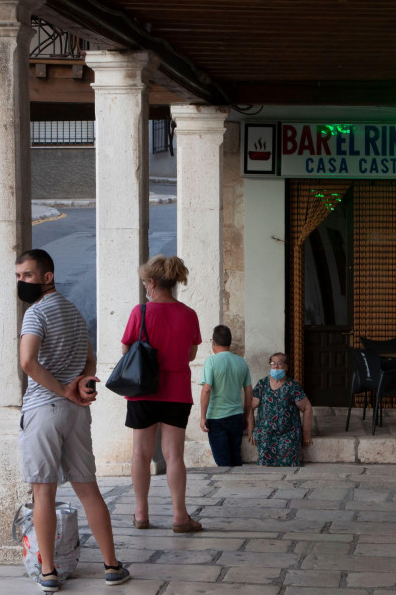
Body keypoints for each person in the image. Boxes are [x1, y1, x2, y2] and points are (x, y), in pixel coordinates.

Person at [16, 249, 129, 592]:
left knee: (43, 494)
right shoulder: (74, 312)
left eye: (27, 276)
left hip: (43, 411)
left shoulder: (35, 314)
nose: (21, 282)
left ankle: (48, 571)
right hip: (77, 414)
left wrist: (64, 389)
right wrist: (83, 382)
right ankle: (112, 565)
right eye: (18, 276)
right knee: (88, 490)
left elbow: (28, 362)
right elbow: (90, 359)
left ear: (47, 276)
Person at [121, 254, 202, 533]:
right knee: (174, 456)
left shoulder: (140, 312)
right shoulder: (189, 314)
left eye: (145, 283)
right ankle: (180, 516)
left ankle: (141, 513)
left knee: (140, 454)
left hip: (143, 392)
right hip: (177, 393)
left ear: (153, 283)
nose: (145, 288)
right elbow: (191, 354)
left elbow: (126, 350)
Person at [199, 325, 253, 466]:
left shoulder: (211, 361)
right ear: (230, 342)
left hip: (216, 418)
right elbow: (248, 391)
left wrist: (203, 416)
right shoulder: (241, 362)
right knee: (235, 457)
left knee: (222, 462)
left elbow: (206, 390)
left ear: (213, 342)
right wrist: (246, 415)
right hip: (235, 416)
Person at [248, 352, 314, 467]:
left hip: (288, 434)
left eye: (279, 364)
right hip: (266, 433)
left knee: (289, 463)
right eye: (273, 364)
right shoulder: (262, 384)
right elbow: (250, 407)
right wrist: (251, 430)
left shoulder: (292, 386)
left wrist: (306, 433)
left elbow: (307, 408)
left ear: (286, 367)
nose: (276, 367)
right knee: (265, 464)